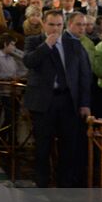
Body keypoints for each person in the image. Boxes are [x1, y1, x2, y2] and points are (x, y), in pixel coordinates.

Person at [22, 10, 92, 188]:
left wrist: (84, 103)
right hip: (43, 102)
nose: (55, 28)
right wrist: (46, 45)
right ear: (44, 24)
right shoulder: (34, 41)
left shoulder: (73, 44)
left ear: (64, 25)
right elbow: (29, 61)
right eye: (51, 24)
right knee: (43, 147)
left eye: (59, 25)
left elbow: (84, 75)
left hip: (67, 101)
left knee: (69, 146)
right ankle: (42, 183)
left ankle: (65, 184)